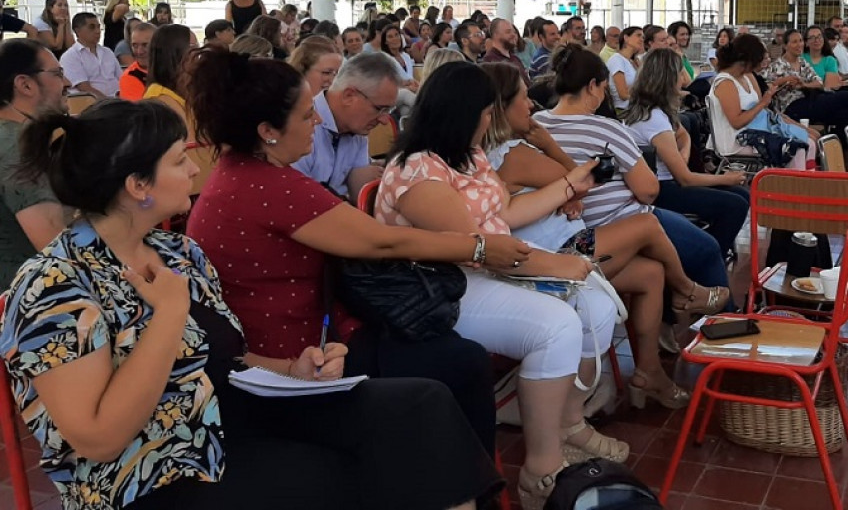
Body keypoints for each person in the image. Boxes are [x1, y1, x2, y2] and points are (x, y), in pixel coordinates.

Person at [2, 98, 501, 510]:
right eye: (178, 160)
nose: (194, 168)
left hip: (221, 417)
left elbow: (222, 359)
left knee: (419, 406)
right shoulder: (55, 284)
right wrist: (169, 316)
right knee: (336, 475)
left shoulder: (176, 250)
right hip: (143, 474)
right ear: (138, 187)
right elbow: (98, 439)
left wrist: (292, 368)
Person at [186, 50, 528, 462]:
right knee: (460, 363)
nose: (316, 121)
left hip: (311, 340)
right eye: (304, 114)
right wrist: (479, 247)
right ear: (267, 130)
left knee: (446, 353)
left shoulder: (242, 173)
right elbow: (383, 242)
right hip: (299, 361)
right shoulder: (270, 186)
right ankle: (467, 488)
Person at [374, 61, 641, 507]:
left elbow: (503, 218)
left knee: (596, 307)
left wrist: (569, 184)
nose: (489, 120)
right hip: (440, 285)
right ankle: (542, 466)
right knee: (556, 325)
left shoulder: (466, 154)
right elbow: (476, 245)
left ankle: (568, 421)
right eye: (484, 112)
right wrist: (552, 264)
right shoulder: (417, 171)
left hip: (480, 269)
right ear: (463, 112)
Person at [479, 61, 719, 395]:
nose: (532, 104)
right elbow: (580, 181)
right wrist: (549, 146)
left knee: (650, 273)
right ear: (502, 107)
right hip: (557, 255)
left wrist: (562, 180)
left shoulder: (505, 151)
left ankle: (648, 372)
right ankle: (688, 291)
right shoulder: (515, 153)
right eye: (522, 97)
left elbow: (569, 186)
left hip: (559, 244)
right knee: (648, 224)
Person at [533, 45, 731, 309]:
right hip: (614, 222)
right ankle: (724, 323)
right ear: (592, 86)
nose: (604, 96)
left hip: (564, 229)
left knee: (654, 268)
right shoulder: (605, 128)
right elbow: (649, 191)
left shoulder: (537, 125)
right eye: (604, 88)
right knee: (707, 250)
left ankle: (669, 328)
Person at [625, 49, 750, 258]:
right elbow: (685, 178)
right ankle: (707, 257)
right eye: (680, 73)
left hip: (668, 181)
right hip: (661, 189)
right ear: (668, 78)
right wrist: (725, 177)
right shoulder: (654, 120)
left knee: (741, 195)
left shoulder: (656, 110)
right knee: (735, 204)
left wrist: (681, 154)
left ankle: (710, 247)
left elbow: (683, 135)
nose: (684, 79)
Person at [0, 39, 69, 283]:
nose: (68, 82)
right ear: (25, 85)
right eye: (58, 74)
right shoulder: (18, 148)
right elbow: (60, 254)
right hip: (25, 304)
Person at [292, 52, 398, 201]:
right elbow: (297, 201)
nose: (385, 120)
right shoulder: (300, 124)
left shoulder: (357, 128)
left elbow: (358, 192)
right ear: (349, 96)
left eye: (389, 110)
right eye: (379, 108)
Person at [710, 33, 816, 170]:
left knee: (810, 143)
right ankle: (794, 187)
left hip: (756, 131)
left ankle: (808, 183)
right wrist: (762, 103)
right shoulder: (725, 83)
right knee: (796, 148)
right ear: (748, 60)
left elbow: (762, 109)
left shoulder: (747, 76)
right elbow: (736, 122)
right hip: (736, 140)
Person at [766, 28, 848, 129]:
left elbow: (819, 82)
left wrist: (804, 85)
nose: (799, 44)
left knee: (844, 115)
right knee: (845, 96)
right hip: (791, 107)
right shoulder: (776, 65)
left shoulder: (802, 62)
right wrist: (784, 80)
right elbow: (767, 86)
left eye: (800, 41)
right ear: (785, 46)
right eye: (794, 42)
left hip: (809, 100)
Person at [143, 24, 198, 141]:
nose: (199, 53)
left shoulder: (188, 89)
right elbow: (190, 143)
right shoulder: (160, 98)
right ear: (175, 52)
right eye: (194, 47)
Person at [60, 12, 122, 100]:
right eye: (92, 27)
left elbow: (121, 79)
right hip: (93, 105)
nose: (97, 31)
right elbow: (85, 88)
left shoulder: (107, 52)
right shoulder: (70, 57)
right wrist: (109, 102)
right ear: (78, 31)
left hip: (118, 100)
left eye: (98, 27)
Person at [606, 25, 643, 112]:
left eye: (643, 37)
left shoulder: (633, 61)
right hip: (625, 111)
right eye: (638, 35)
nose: (642, 39)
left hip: (637, 108)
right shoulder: (617, 60)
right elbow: (623, 94)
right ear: (626, 38)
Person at [482, 18, 529, 84]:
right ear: (496, 35)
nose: (513, 35)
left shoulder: (515, 59)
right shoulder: (491, 62)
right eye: (508, 32)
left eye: (514, 32)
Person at [118, 22, 157, 101]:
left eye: (145, 45)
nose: (139, 51)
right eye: (135, 46)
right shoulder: (131, 76)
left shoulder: (171, 68)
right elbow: (140, 111)